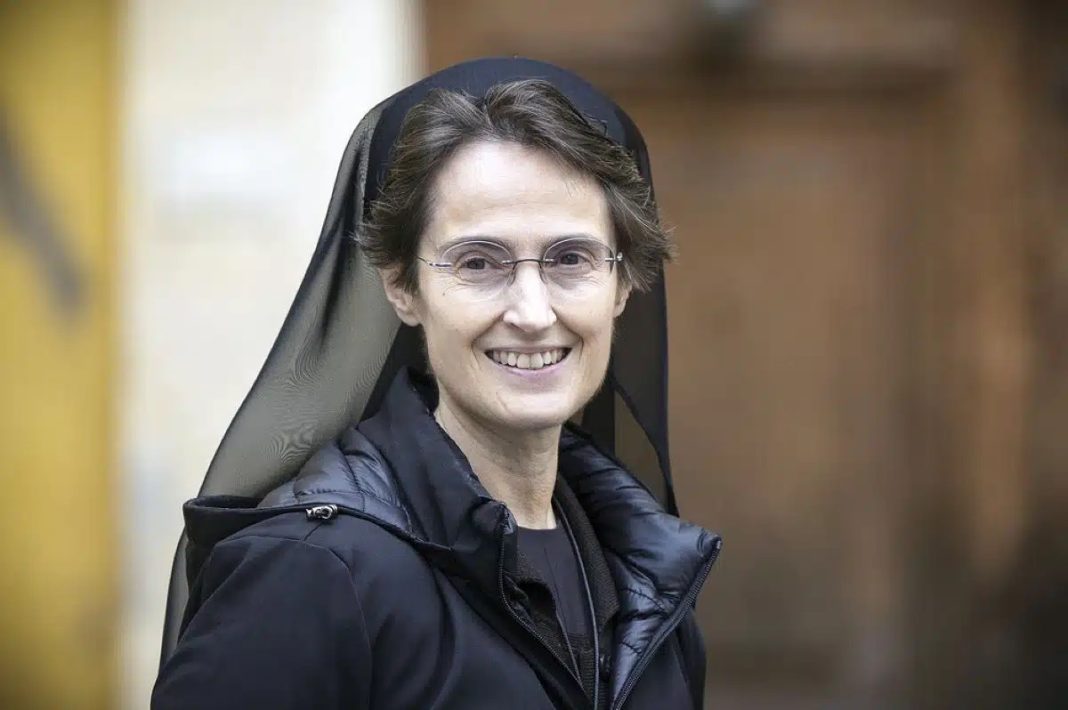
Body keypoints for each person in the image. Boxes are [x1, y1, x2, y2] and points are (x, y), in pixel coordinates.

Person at [152, 57, 722, 710]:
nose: (533, 312)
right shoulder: (308, 571)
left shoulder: (648, 577)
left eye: (570, 258)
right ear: (401, 285)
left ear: (622, 284)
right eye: (478, 262)